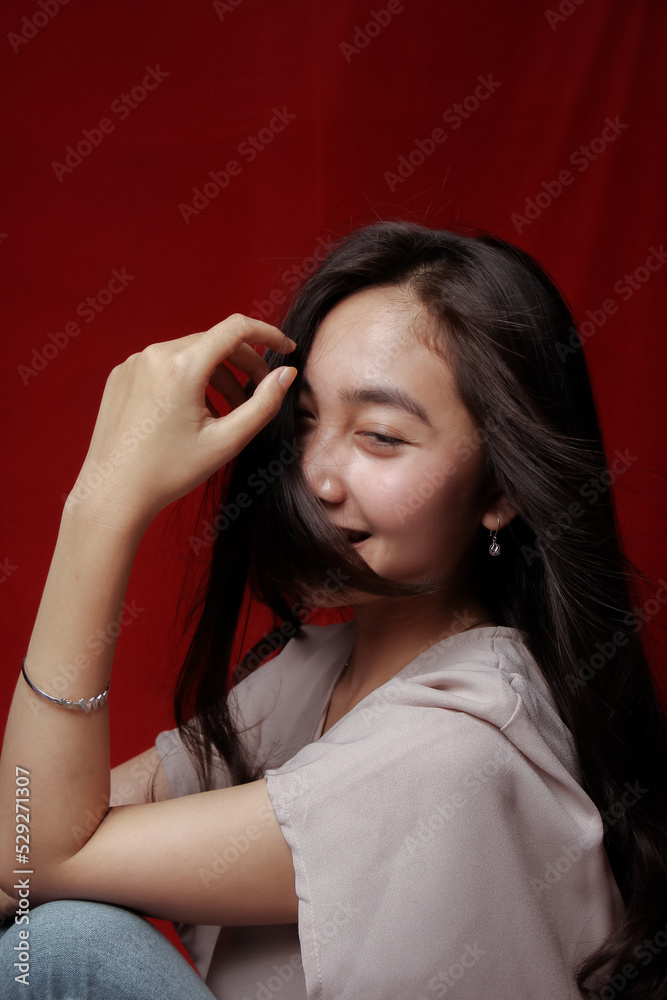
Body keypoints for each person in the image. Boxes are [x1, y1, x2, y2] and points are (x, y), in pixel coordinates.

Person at [1, 221, 666, 1000]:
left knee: (64, 946)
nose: (314, 473)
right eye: (305, 419)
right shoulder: (316, 672)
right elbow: (26, 837)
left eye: (380, 436)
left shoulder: (454, 749)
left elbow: (34, 855)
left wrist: (103, 505)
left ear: (499, 492)